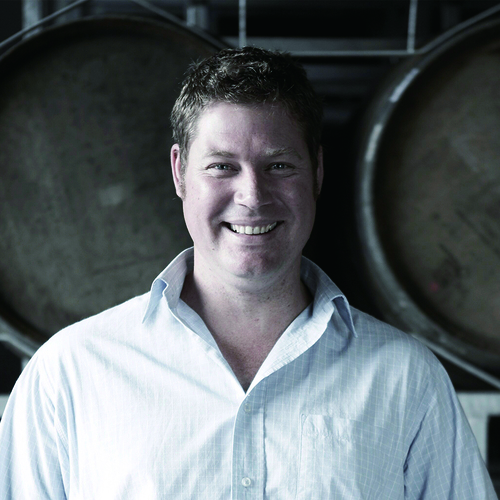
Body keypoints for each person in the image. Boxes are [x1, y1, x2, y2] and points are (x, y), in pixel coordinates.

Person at [0, 46, 497, 499]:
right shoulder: (70, 372)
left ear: (317, 172)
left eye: (279, 166)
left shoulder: (406, 378)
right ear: (179, 172)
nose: (253, 196)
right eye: (222, 166)